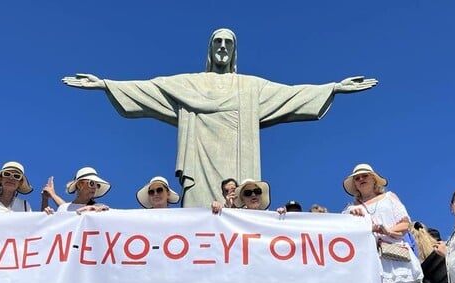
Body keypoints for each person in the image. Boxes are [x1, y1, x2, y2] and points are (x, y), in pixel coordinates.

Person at [62, 28, 378, 208]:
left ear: (234, 52)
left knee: (241, 209)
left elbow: (290, 94)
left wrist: (332, 88)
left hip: (240, 163)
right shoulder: (190, 83)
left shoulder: (250, 87)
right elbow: (151, 88)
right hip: (199, 166)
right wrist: (106, 84)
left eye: (229, 43)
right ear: (211, 50)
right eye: (218, 43)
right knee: (199, 220)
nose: (223, 47)